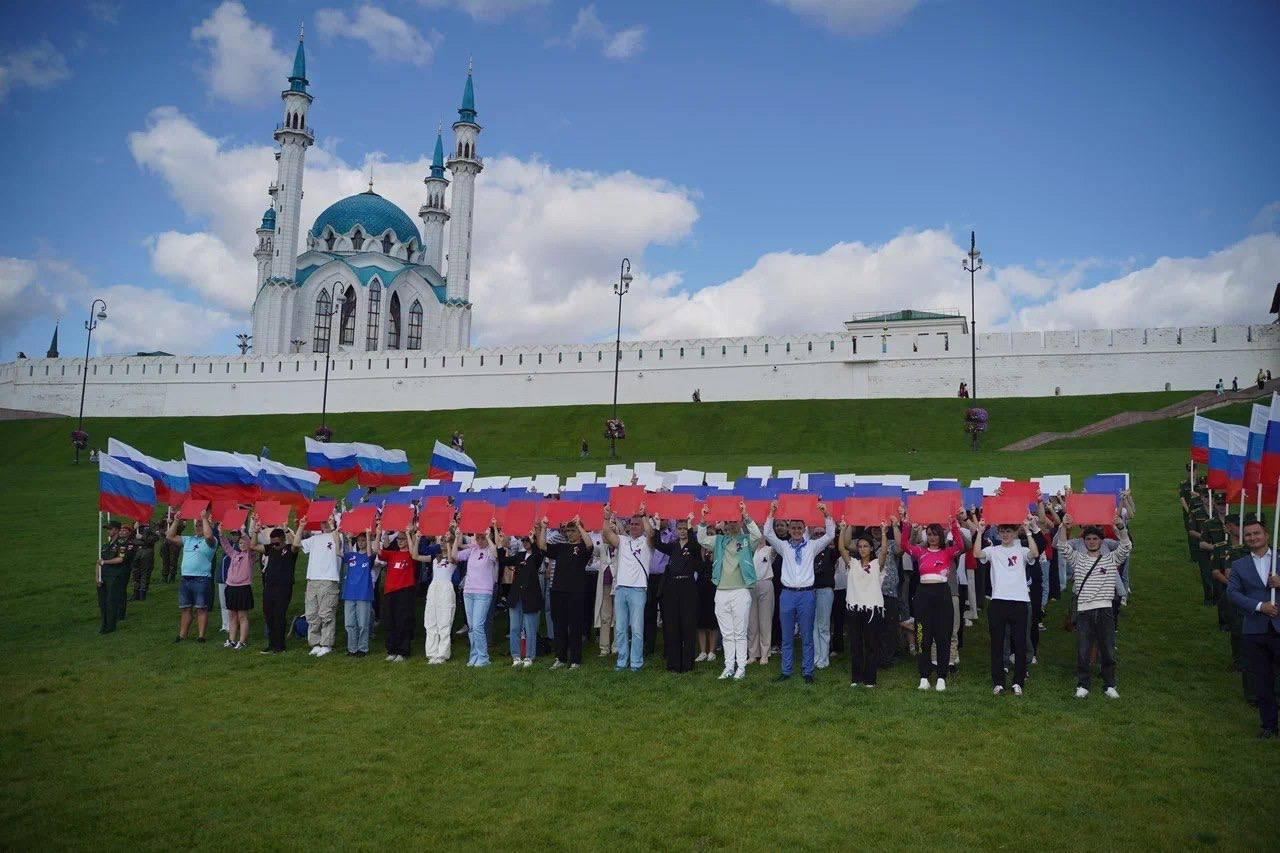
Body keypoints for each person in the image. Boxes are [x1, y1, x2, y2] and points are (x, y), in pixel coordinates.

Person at [1056, 512, 1132, 699]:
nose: (1091, 541)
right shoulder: (1078, 559)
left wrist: (1121, 528)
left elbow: (1126, 547)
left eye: (1095, 538)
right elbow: (1063, 546)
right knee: (1083, 649)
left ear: (1101, 541)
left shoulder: (1110, 558)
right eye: (1088, 539)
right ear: (1084, 541)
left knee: (1107, 648)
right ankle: (1083, 684)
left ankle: (1110, 684)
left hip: (1105, 609)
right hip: (1084, 610)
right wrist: (1064, 527)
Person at [763, 501, 835, 683]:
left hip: (806, 594)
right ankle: (786, 671)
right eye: (793, 527)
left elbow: (830, 534)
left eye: (799, 527)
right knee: (787, 636)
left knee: (807, 634)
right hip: (787, 594)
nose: (796, 530)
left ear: (804, 529)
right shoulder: (784, 547)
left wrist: (826, 514)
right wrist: (772, 512)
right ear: (789, 529)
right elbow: (768, 533)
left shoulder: (811, 546)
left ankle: (808, 671)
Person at [898, 512, 966, 691]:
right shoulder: (920, 551)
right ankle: (924, 675)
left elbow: (960, 545)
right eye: (929, 534)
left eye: (935, 534)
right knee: (922, 636)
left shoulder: (948, 552)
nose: (932, 537)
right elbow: (904, 545)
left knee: (943, 636)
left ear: (941, 535)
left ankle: (942, 676)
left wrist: (953, 525)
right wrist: (906, 525)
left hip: (943, 594)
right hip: (923, 595)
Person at [973, 515, 1040, 695]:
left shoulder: (1022, 548)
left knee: (1019, 643)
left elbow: (1034, 554)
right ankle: (999, 682)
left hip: (1019, 601)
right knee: (997, 643)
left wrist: (1028, 531)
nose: (1005, 535)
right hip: (998, 601)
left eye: (1008, 531)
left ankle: (1018, 681)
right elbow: (977, 554)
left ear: (1015, 532)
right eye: (1002, 531)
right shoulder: (993, 550)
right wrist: (979, 532)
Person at [1226, 519, 1280, 738]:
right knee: (1262, 679)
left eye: (1256, 533)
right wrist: (1260, 607)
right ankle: (1268, 725)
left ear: (1266, 534)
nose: (1252, 538)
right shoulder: (1239, 565)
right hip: (1255, 630)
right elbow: (1233, 593)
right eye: (1248, 535)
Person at [698, 501, 762, 680]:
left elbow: (757, 535)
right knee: (727, 633)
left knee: (740, 632)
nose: (732, 524)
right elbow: (701, 539)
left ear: (739, 522)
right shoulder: (719, 541)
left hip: (740, 590)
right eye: (729, 522)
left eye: (735, 521)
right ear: (724, 524)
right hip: (722, 591)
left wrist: (746, 516)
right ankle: (728, 667)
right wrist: (703, 520)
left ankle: (741, 667)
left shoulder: (745, 540)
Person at [601, 505, 655, 671]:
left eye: (637, 524)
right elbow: (606, 533)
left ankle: (636, 662)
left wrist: (644, 515)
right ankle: (622, 660)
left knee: (637, 629)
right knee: (620, 628)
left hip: (638, 589)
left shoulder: (647, 542)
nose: (633, 526)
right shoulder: (623, 541)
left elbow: (651, 534)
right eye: (631, 524)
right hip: (621, 588)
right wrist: (606, 516)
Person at [539, 515, 595, 669]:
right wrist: (543, 527)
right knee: (559, 625)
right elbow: (543, 546)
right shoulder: (561, 547)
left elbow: (590, 545)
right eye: (568, 530)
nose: (569, 533)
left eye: (573, 530)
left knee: (575, 626)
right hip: (558, 591)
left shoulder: (583, 547)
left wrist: (580, 525)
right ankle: (561, 657)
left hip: (576, 592)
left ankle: (576, 659)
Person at [838, 522, 890, 687]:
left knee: (871, 645)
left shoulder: (876, 565)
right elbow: (841, 549)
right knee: (855, 644)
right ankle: (856, 678)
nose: (862, 549)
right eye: (859, 546)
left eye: (866, 546)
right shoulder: (852, 564)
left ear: (871, 548)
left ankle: (870, 679)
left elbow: (884, 551)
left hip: (872, 610)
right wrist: (842, 530)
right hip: (854, 608)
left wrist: (883, 533)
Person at [654, 514, 703, 672]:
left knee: (688, 624)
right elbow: (657, 544)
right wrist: (656, 525)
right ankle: (673, 663)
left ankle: (688, 663)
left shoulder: (694, 546)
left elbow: (695, 545)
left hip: (688, 586)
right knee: (672, 624)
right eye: (680, 528)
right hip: (672, 587)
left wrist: (690, 526)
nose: (682, 531)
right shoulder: (673, 546)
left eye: (684, 529)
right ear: (676, 530)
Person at [167, 508, 217, 643]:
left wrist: (204, 519)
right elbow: (170, 536)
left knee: (201, 608)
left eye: (200, 525)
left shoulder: (212, 541)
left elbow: (208, 536)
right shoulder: (188, 539)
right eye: (196, 525)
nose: (198, 527)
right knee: (185, 608)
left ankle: (201, 636)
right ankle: (182, 635)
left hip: (202, 578)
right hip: (186, 578)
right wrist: (176, 521)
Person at [498, 522, 544, 667]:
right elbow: (504, 561)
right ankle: (516, 656)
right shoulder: (519, 555)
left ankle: (530, 656)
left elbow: (538, 557)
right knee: (514, 628)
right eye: (523, 540)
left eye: (527, 540)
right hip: (516, 596)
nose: (525, 542)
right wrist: (500, 545)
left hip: (530, 596)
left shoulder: (537, 555)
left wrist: (533, 538)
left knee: (530, 628)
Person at [457, 520, 500, 667]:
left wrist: (489, 538)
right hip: (468, 591)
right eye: (478, 537)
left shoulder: (490, 550)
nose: (480, 540)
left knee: (478, 625)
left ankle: (483, 658)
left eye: (482, 537)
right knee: (471, 626)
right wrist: (457, 535)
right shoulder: (473, 549)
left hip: (483, 592)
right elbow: (456, 555)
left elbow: (495, 555)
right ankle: (474, 655)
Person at [253, 523, 301, 654]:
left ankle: (280, 645)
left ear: (283, 540)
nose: (274, 545)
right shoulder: (270, 548)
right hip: (269, 586)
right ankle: (271, 643)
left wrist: (289, 530)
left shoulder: (290, 550)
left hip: (284, 587)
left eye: (277, 543)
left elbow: (296, 545)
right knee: (268, 614)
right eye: (272, 543)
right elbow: (253, 546)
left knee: (279, 615)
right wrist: (255, 532)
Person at [300, 519, 342, 657]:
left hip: (329, 580)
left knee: (326, 613)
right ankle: (315, 643)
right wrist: (300, 527)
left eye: (328, 521)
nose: (325, 524)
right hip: (312, 579)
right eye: (323, 521)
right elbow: (296, 543)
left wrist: (333, 527)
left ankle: (326, 644)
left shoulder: (338, 535)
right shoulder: (314, 538)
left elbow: (339, 547)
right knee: (312, 614)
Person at [418, 526, 458, 663]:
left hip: (446, 589)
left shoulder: (454, 558)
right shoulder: (435, 558)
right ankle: (431, 653)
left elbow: (452, 558)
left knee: (444, 621)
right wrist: (417, 539)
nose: (441, 543)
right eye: (440, 540)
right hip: (434, 588)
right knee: (430, 621)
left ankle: (442, 654)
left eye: (444, 540)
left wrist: (448, 541)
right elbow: (415, 556)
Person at [379, 528, 418, 662]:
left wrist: (408, 534)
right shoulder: (393, 554)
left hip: (405, 591)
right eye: (399, 539)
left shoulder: (411, 554)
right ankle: (391, 649)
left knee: (403, 621)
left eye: (403, 539)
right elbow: (378, 551)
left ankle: (403, 651)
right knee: (390, 621)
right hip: (390, 591)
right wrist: (380, 532)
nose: (400, 541)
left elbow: (414, 554)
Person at [219, 521, 256, 650]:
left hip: (243, 588)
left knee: (242, 616)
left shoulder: (250, 556)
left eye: (244, 543)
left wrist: (243, 533)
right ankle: (231, 639)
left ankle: (242, 640)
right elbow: (226, 546)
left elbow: (249, 544)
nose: (242, 545)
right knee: (232, 615)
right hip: (231, 587)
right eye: (240, 543)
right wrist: (220, 533)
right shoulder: (235, 554)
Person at [340, 528, 376, 657]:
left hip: (363, 594)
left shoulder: (369, 557)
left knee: (362, 624)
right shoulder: (352, 556)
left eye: (363, 541)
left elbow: (371, 552)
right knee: (349, 623)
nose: (361, 543)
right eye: (359, 541)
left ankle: (363, 648)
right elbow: (339, 552)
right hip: (349, 593)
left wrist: (368, 534)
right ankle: (352, 648)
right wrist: (341, 535)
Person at [811, 524, 839, 669]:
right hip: (810, 590)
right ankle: (816, 656)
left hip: (825, 590)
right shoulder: (810, 549)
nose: (819, 535)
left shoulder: (831, 551)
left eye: (822, 533)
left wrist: (833, 532)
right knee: (813, 625)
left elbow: (838, 545)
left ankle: (824, 657)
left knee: (823, 625)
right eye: (816, 533)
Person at [96, 523, 130, 634]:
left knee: (111, 601)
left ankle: (111, 625)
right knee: (103, 602)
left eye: (110, 529)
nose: (108, 531)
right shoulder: (105, 546)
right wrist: (97, 577)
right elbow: (98, 562)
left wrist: (105, 562)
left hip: (114, 576)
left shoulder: (121, 543)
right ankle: (104, 624)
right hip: (103, 576)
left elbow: (120, 559)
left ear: (116, 530)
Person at [747, 537, 775, 665]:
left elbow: (776, 544)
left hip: (765, 583)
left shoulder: (770, 549)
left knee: (765, 620)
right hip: (750, 585)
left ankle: (765, 654)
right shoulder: (748, 549)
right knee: (751, 622)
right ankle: (753, 654)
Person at [130, 520, 159, 601]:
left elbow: (156, 538)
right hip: (135, 550)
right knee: (135, 572)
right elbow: (128, 536)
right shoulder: (135, 523)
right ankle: (136, 593)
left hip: (147, 550)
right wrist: (134, 529)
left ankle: (143, 594)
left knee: (145, 572)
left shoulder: (152, 524)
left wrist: (142, 537)